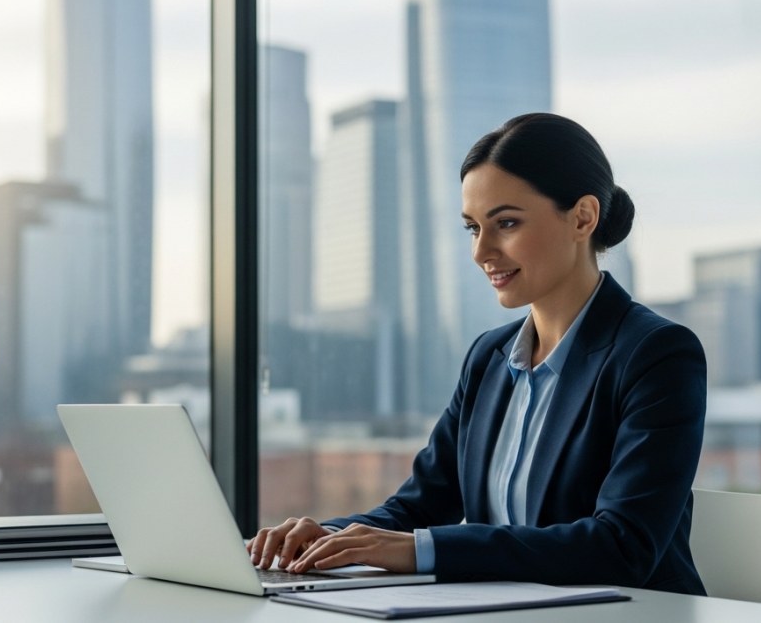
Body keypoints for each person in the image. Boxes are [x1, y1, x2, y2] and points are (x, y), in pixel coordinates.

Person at [247, 113, 707, 594]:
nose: (481, 251)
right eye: (472, 228)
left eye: (505, 223)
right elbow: (421, 506)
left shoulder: (656, 355)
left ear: (583, 218)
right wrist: (329, 538)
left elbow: (622, 546)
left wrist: (423, 549)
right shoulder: (489, 357)